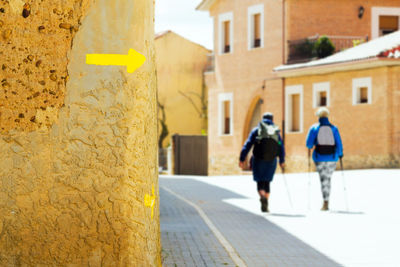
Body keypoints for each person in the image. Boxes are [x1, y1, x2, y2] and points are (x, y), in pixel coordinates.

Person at [239, 112, 285, 212]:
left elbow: (247, 144)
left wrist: (242, 158)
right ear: (272, 120)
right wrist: (282, 160)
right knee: (267, 181)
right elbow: (281, 146)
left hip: (258, 159)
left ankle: (262, 197)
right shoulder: (275, 131)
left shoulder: (256, 130)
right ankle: (266, 200)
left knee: (260, 180)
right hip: (272, 160)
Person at [306, 107, 343, 211]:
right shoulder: (334, 128)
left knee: (323, 179)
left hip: (319, 157)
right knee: (328, 178)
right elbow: (339, 143)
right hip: (332, 157)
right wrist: (340, 154)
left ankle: (325, 202)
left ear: (318, 116)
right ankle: (326, 200)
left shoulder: (314, 128)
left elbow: (308, 144)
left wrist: (314, 143)